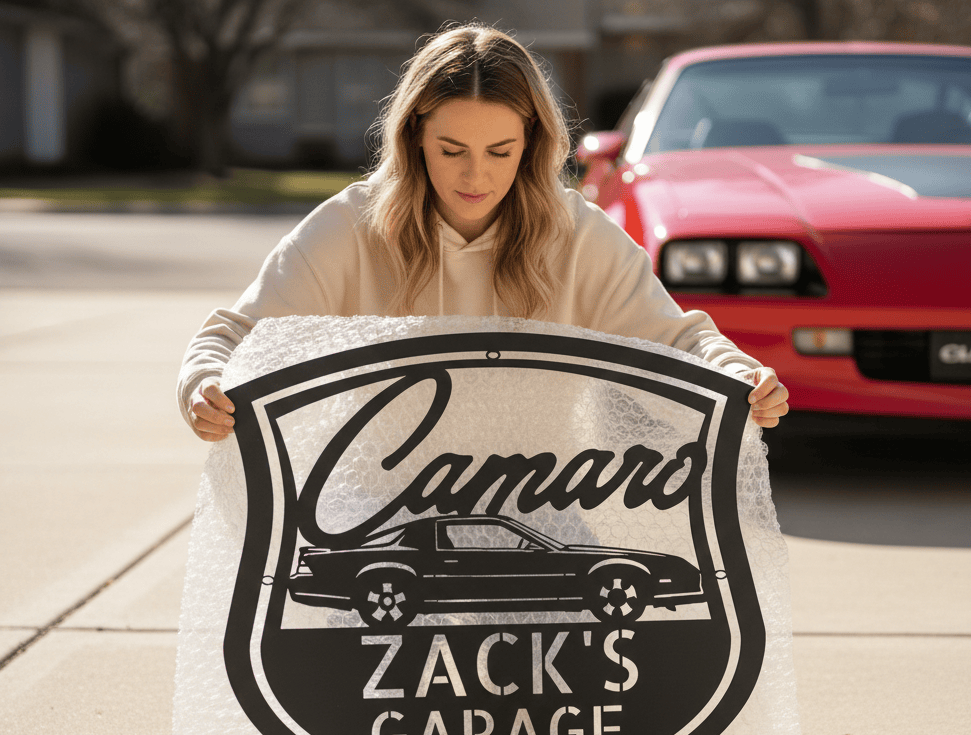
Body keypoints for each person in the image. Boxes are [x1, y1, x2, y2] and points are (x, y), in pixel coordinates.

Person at [178, 24, 789, 441]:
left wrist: (739, 375)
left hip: (540, 507)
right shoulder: (352, 224)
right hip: (370, 515)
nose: (476, 176)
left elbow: (677, 339)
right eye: (452, 150)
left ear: (532, 143)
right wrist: (206, 386)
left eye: (500, 151)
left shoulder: (575, 232)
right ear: (414, 137)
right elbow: (236, 336)